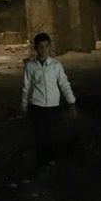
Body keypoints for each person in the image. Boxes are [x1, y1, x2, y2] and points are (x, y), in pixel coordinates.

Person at [20, 32, 78, 170]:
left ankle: (52, 159)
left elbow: (64, 84)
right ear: (35, 48)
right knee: (40, 135)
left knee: (53, 134)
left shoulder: (56, 66)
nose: (43, 49)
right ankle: (42, 162)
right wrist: (24, 104)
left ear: (50, 47)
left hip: (53, 106)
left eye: (46, 46)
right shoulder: (30, 66)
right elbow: (26, 87)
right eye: (40, 46)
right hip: (37, 106)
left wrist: (71, 103)